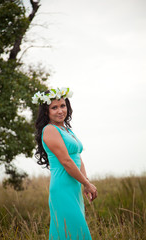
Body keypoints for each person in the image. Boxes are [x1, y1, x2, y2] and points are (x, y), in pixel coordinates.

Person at [33, 87, 98, 240]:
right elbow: (67, 162)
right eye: (54, 107)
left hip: (74, 187)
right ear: (46, 112)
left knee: (74, 232)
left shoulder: (67, 130)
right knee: (73, 232)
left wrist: (85, 182)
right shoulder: (49, 130)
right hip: (62, 187)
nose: (60, 110)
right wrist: (87, 184)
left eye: (63, 106)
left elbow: (77, 157)